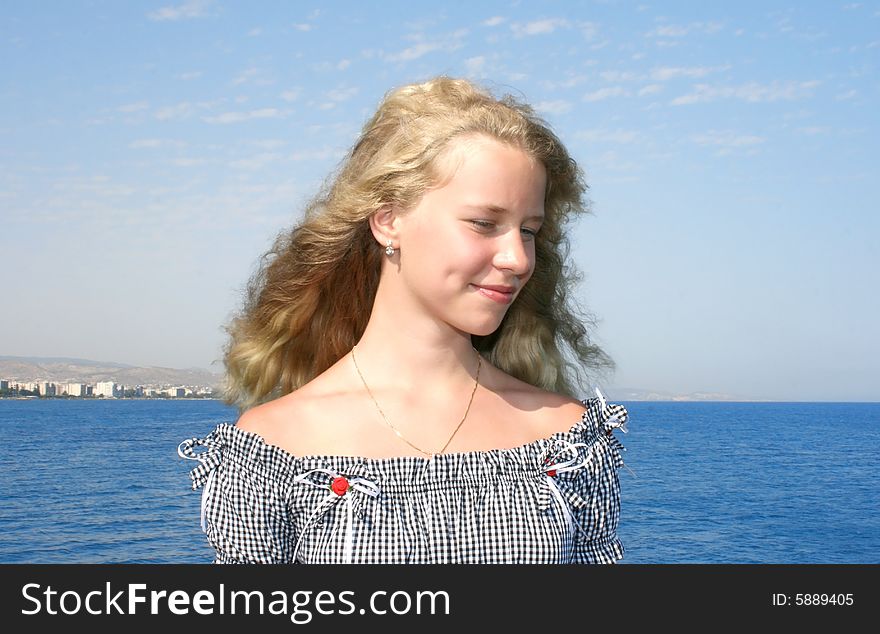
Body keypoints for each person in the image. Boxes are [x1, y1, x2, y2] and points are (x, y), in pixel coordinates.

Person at [178, 76, 629, 564]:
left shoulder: (566, 444)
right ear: (388, 220)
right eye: (484, 223)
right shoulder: (273, 451)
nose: (518, 258)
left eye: (528, 231)